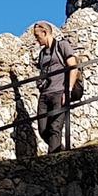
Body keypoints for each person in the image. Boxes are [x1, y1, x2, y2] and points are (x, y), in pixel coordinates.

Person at [30, 21, 81, 154]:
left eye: (37, 36)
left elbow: (73, 67)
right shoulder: (42, 54)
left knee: (55, 128)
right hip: (45, 95)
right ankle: (61, 151)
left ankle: (53, 160)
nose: (36, 39)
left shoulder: (62, 45)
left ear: (45, 32)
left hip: (60, 92)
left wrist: (68, 90)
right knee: (43, 130)